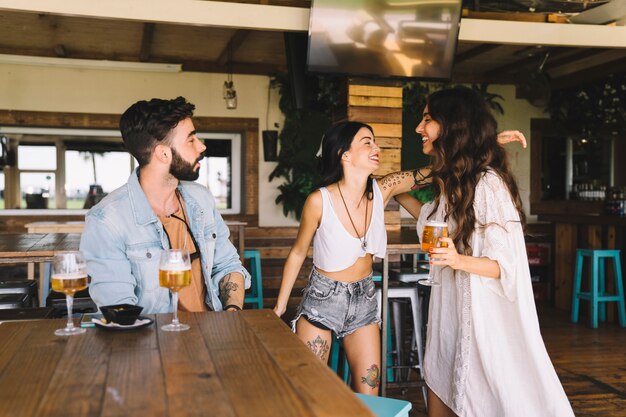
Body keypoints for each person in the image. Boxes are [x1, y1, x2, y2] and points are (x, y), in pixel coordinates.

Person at [273, 121, 526, 395]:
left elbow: (443, 168)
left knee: (369, 390)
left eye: (375, 141)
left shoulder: (383, 189)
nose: (376, 147)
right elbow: (298, 253)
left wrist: (485, 144)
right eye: (366, 142)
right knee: (309, 390)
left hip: (364, 300)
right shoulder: (319, 200)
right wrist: (280, 307)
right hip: (323, 300)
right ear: (344, 155)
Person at [404, 87, 574, 417]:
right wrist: (392, 192)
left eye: (427, 119)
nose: (418, 128)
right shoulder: (452, 184)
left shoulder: (488, 184)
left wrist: (456, 259)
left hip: (483, 321)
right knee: (442, 383)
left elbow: (504, 265)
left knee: (488, 397)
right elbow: (427, 217)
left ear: (452, 125)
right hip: (449, 317)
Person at [80, 97, 250, 314]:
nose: (202, 146)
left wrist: (231, 312)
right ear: (163, 153)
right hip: (149, 343)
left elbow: (228, 266)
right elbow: (118, 307)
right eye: (190, 139)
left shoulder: (202, 201)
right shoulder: (107, 220)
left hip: (212, 336)